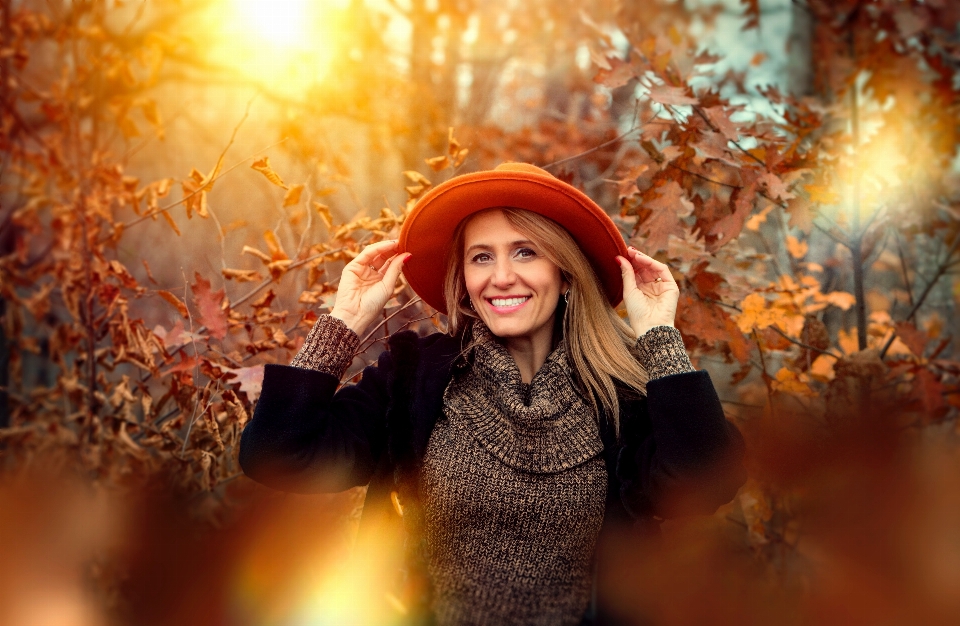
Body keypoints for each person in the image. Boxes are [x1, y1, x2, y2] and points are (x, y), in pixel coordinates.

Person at [239, 163, 746, 626]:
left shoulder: (621, 391)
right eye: (482, 257)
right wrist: (344, 321)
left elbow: (706, 482)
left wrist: (659, 336)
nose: (501, 276)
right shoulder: (414, 375)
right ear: (464, 278)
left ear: (565, 273)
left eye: (526, 251)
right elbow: (279, 455)